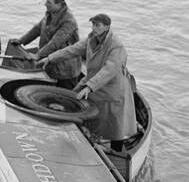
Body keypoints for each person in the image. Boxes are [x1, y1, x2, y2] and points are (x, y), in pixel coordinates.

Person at [44, 13, 137, 148]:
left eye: (97, 25)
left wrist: (89, 87)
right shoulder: (91, 39)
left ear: (107, 27)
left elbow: (109, 70)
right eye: (93, 24)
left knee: (115, 126)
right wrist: (51, 58)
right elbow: (73, 50)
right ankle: (85, 140)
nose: (94, 28)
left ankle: (115, 152)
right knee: (80, 106)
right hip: (94, 83)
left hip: (112, 90)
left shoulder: (116, 46)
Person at [7, 0, 80, 83]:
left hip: (65, 69)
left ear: (59, 5)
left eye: (49, 2)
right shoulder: (50, 13)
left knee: (63, 93)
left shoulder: (69, 21)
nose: (45, 4)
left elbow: (55, 43)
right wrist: (21, 41)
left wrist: (38, 55)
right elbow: (37, 29)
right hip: (49, 62)